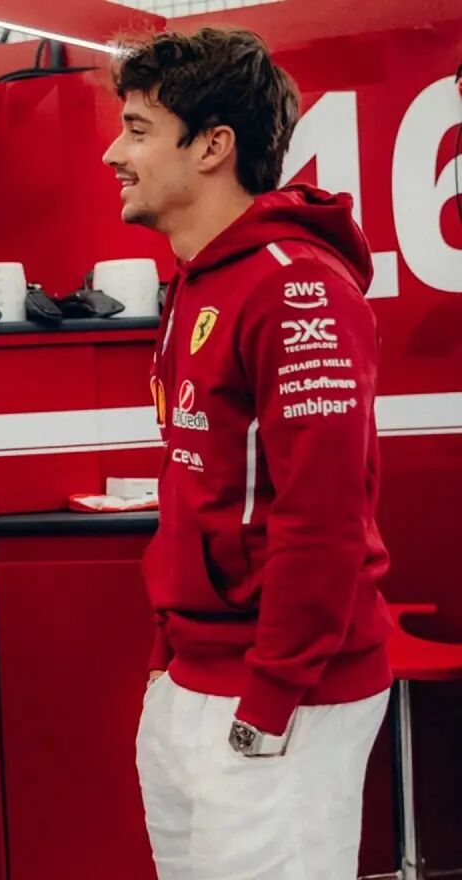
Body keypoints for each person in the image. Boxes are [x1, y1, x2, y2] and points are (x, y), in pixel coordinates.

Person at [103, 28, 392, 879]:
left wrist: (270, 696)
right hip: (194, 678)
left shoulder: (294, 284)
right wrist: (169, 662)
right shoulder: (198, 280)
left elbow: (323, 518)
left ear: (213, 146)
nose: (114, 152)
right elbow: (204, 488)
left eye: (140, 128)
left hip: (284, 693)